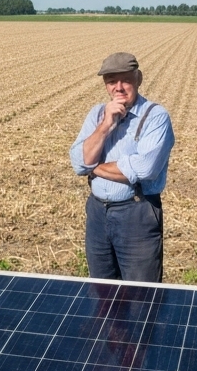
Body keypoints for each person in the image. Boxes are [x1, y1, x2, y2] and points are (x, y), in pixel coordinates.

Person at [69, 52, 174, 282]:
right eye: (111, 81)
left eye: (125, 80)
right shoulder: (97, 114)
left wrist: (92, 166)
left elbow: (144, 169)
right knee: (102, 289)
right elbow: (77, 161)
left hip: (136, 214)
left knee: (140, 293)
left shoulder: (156, 117)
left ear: (139, 79)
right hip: (97, 213)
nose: (118, 87)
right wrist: (105, 125)